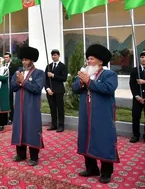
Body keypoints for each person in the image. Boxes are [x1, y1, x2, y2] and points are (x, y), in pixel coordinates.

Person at [73, 44, 119, 184]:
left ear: (100, 61)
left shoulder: (109, 74)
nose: (88, 61)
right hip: (86, 114)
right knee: (86, 138)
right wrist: (81, 82)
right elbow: (75, 88)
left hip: (102, 115)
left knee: (103, 140)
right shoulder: (85, 72)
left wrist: (89, 82)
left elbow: (109, 88)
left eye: (92, 59)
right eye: (88, 58)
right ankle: (92, 168)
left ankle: (106, 172)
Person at [11, 46, 45, 166]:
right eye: (22, 59)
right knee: (19, 128)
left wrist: (23, 82)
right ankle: (21, 154)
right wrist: (18, 81)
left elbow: (37, 88)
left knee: (32, 129)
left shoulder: (39, 73)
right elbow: (13, 87)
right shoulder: (18, 72)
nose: (24, 62)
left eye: (26, 59)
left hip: (32, 107)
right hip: (19, 107)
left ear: (32, 60)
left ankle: (34, 157)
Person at [45, 49, 68, 132]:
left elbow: (64, 78)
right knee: (52, 108)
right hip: (50, 91)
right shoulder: (48, 66)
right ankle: (54, 124)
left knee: (60, 108)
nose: (53, 57)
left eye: (55, 55)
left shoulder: (63, 66)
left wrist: (53, 75)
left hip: (59, 91)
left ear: (58, 56)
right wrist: (47, 89)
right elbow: (45, 79)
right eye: (52, 55)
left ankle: (61, 125)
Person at [129, 50, 145, 143]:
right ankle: (136, 135)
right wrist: (137, 96)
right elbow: (132, 84)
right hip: (137, 98)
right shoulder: (135, 70)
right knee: (135, 116)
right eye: (142, 57)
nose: (144, 59)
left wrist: (144, 82)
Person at [4, 52, 16, 124]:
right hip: (4, 86)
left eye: (7, 57)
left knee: (10, 102)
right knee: (4, 102)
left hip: (10, 86)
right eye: (5, 57)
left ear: (10, 58)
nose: (6, 59)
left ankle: (11, 118)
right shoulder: (3, 66)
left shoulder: (13, 66)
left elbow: (14, 76)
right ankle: (5, 117)